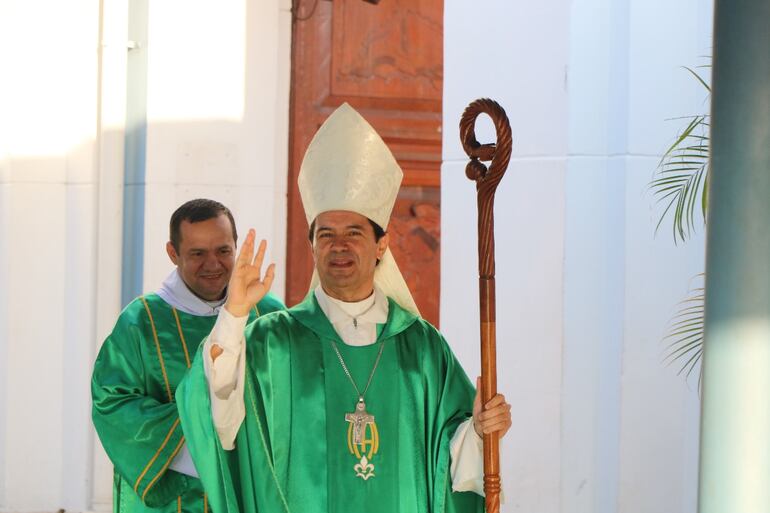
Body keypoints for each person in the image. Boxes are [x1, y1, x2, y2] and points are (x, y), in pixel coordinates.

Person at [176, 105, 512, 513]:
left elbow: (447, 462)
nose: (339, 246)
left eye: (353, 232)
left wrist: (478, 431)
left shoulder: (421, 348)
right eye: (326, 234)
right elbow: (219, 420)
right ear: (312, 245)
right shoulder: (271, 342)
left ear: (381, 246)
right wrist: (233, 316)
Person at [92, 198, 285, 513]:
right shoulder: (142, 322)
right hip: (175, 500)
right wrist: (205, 442)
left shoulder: (267, 314)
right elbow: (112, 405)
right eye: (197, 253)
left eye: (223, 250)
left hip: (251, 493)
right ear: (173, 253)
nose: (213, 264)